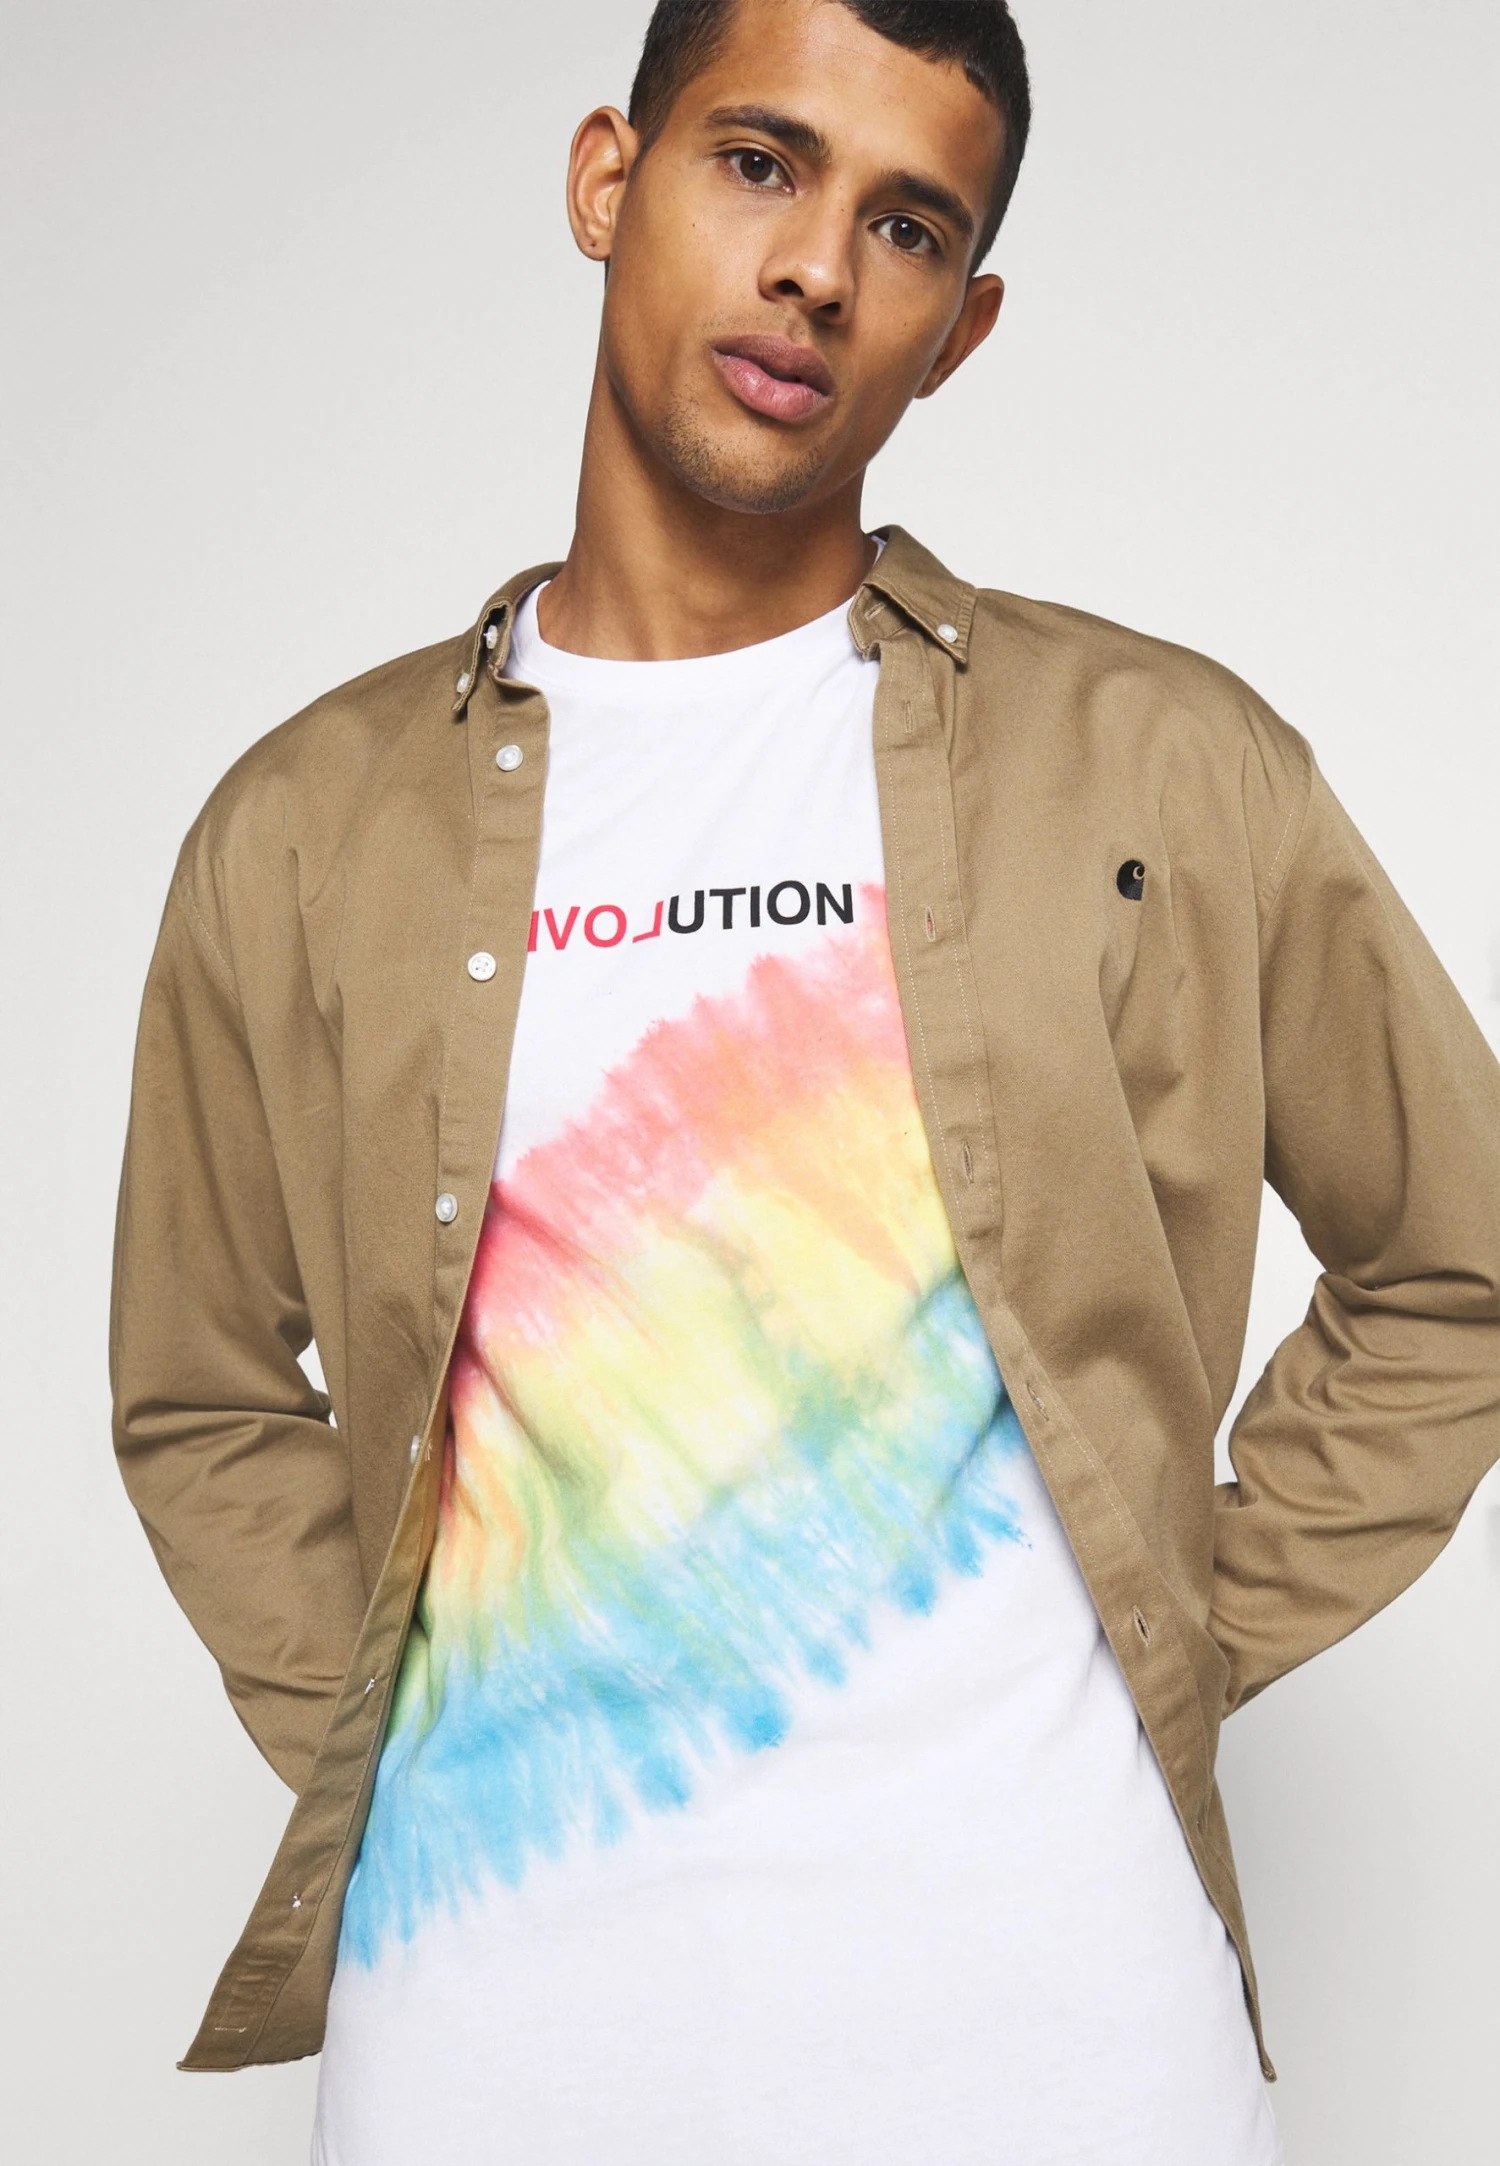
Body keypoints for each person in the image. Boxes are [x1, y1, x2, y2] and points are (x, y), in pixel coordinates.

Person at [109, 2, 1500, 2161]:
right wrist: (397, 1763)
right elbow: (199, 1388)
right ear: (608, 178)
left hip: (1073, 2045)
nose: (819, 270)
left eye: (909, 226)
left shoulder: (1160, 765)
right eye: (757, 162)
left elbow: (1458, 1263)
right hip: (493, 2053)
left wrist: (1179, 1626)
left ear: (963, 327)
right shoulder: (305, 829)